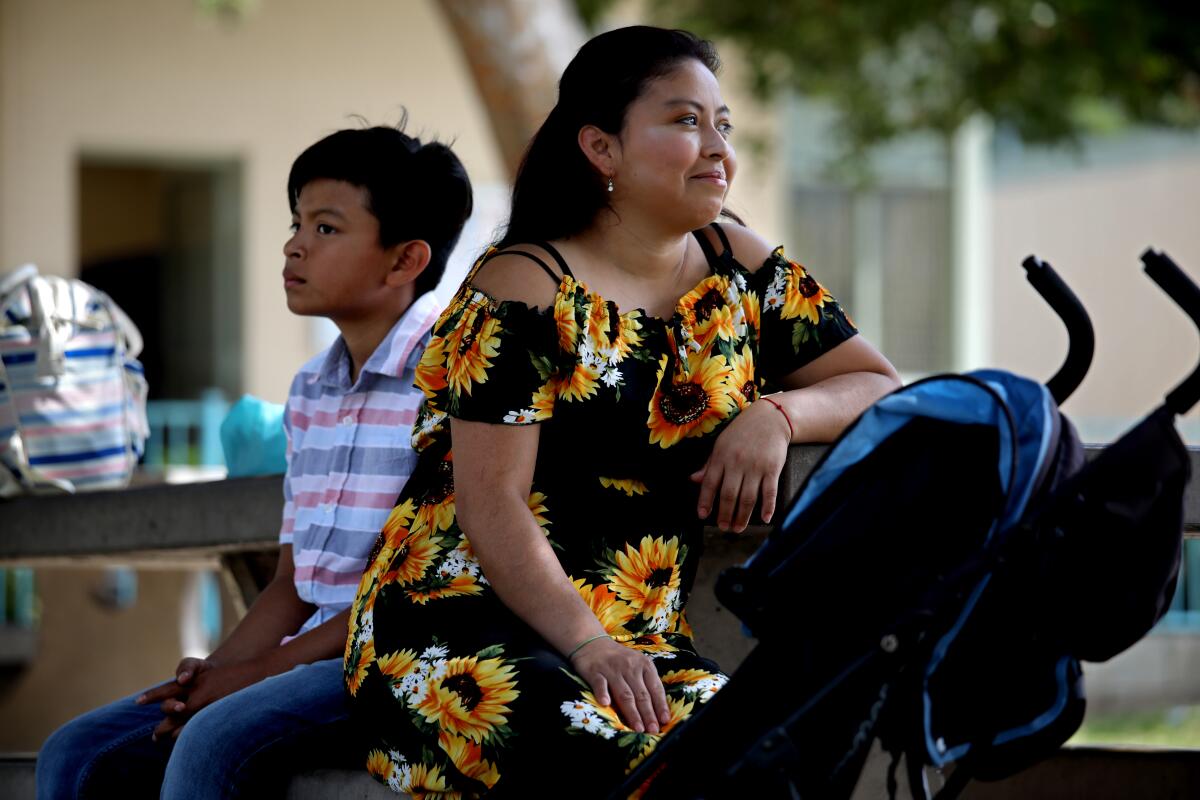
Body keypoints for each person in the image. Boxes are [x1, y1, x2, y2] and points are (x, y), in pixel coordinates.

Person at [345, 26, 902, 800]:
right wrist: (589, 645)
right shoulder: (524, 286)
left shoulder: (741, 265)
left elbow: (876, 383)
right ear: (601, 149)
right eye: (683, 121)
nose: (716, 147)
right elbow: (489, 502)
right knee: (614, 766)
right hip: (463, 621)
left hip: (642, 640)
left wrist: (772, 416)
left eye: (722, 125)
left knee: (773, 761)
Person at [36, 122, 474, 799]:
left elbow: (410, 595)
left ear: (404, 260)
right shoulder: (311, 390)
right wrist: (209, 675)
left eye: (326, 228)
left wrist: (258, 674)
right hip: (307, 660)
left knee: (209, 749)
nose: (293, 245)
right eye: (297, 222)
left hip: (401, 659)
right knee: (78, 753)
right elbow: (293, 584)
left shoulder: (452, 380)